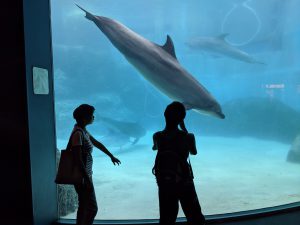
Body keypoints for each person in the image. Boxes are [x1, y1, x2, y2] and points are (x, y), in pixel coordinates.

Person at [152, 101, 205, 225]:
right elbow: (194, 152)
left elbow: (154, 148)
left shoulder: (157, 136)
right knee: (194, 214)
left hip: (165, 182)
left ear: (164, 115)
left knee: (167, 216)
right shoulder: (188, 137)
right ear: (182, 119)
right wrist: (184, 129)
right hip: (184, 182)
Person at [70, 104, 121, 225]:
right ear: (84, 117)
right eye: (91, 115)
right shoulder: (78, 133)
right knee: (92, 208)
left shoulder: (83, 130)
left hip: (85, 175)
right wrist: (86, 178)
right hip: (82, 177)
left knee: (83, 206)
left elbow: (97, 143)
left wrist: (111, 156)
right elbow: (78, 160)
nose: (93, 117)